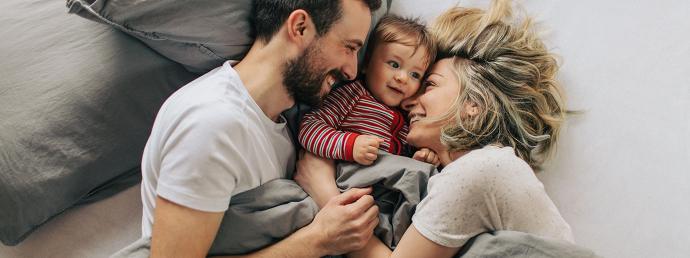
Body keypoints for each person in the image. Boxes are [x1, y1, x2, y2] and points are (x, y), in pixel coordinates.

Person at [294, 0, 575, 257]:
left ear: (472, 105)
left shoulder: (481, 168)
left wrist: (324, 192)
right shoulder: (468, 171)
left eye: (429, 84)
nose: (410, 99)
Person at [130, 1, 384, 257]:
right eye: (349, 48)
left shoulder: (284, 124)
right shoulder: (210, 125)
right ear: (300, 27)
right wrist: (318, 239)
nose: (352, 71)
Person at [298, 14, 441, 172]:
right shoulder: (351, 95)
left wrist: (421, 157)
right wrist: (351, 145)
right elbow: (309, 128)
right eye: (394, 64)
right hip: (345, 176)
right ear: (366, 63)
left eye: (415, 75)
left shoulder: (408, 116)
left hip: (383, 186)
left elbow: (405, 156)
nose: (402, 78)